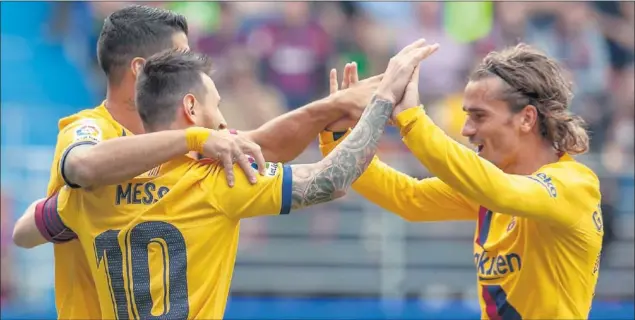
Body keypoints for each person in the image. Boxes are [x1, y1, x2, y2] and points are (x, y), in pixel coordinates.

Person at [10, 5, 379, 319]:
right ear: (140, 69)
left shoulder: (185, 144)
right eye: (180, 55)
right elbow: (82, 168)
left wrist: (332, 108)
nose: (190, 65)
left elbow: (263, 143)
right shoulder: (91, 129)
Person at [321, 44, 603, 319]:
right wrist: (340, 138)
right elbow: (407, 197)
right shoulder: (490, 185)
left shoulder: (574, 185)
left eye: (479, 116)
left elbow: (502, 193)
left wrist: (412, 120)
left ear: (527, 118)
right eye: (467, 115)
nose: (466, 130)